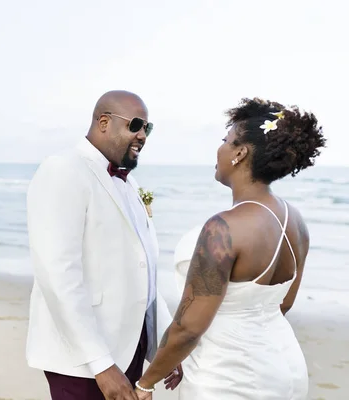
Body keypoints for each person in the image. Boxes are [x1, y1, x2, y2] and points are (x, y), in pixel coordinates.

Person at [133, 97, 326, 399]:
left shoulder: (223, 228)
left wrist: (146, 383)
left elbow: (187, 328)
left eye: (226, 140)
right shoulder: (295, 220)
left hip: (229, 375)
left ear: (240, 153)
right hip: (284, 367)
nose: (220, 147)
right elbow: (284, 304)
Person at [25, 90, 181, 400]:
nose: (142, 135)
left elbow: (145, 273)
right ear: (104, 122)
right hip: (83, 360)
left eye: (147, 128)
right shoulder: (63, 169)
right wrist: (101, 364)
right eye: (135, 125)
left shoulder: (129, 182)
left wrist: (164, 346)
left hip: (130, 349)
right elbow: (58, 275)